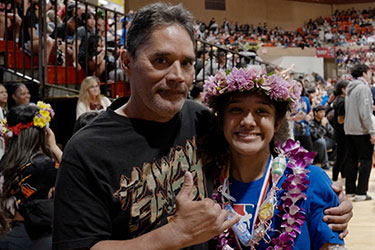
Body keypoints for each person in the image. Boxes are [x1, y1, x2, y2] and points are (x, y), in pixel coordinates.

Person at [53, 3, 352, 250]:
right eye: (161, 60)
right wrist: (171, 236)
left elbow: (264, 153)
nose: (177, 76)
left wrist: (325, 197)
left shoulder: (198, 119)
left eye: (186, 63)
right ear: (127, 61)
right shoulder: (87, 149)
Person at [203, 68, 346, 249]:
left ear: (277, 123)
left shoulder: (311, 180)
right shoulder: (205, 183)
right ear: (221, 120)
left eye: (261, 111)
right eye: (236, 109)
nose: (248, 121)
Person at [0, 102, 61, 250]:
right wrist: (53, 147)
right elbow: (74, 174)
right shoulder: (42, 164)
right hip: (36, 236)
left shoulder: (6, 160)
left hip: (8, 232)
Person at [344, 64, 374, 201]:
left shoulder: (350, 88)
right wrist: (372, 131)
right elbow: (365, 113)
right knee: (366, 160)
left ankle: (350, 190)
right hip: (361, 130)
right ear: (363, 73)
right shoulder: (363, 88)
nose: (370, 76)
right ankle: (361, 192)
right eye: (369, 73)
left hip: (349, 130)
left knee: (351, 160)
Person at [331, 80, 349, 181]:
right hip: (341, 132)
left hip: (338, 132)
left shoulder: (338, 99)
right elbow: (340, 120)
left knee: (342, 156)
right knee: (341, 156)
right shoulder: (342, 101)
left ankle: (343, 176)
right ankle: (334, 177)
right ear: (343, 89)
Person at [309, 105, 335, 170]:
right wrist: (323, 126)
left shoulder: (325, 121)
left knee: (338, 139)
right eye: (321, 112)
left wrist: (327, 124)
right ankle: (325, 164)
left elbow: (332, 133)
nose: (323, 114)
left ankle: (332, 160)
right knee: (321, 141)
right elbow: (316, 136)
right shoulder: (311, 123)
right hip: (315, 144)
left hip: (325, 142)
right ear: (315, 113)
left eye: (324, 112)